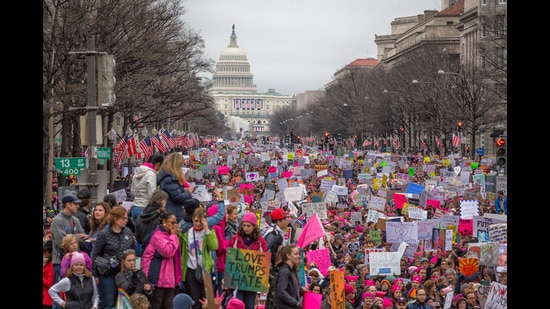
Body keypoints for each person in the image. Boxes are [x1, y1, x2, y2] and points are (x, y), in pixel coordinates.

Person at [92, 205, 136, 309]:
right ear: (115, 219)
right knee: (109, 302)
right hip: (108, 274)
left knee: (124, 302)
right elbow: (96, 254)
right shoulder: (103, 234)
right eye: (124, 218)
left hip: (124, 273)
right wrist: (96, 275)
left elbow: (133, 252)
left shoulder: (128, 232)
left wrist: (136, 269)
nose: (126, 220)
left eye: (126, 218)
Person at [50, 193, 90, 309]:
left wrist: (76, 238)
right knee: (59, 292)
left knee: (73, 293)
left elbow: (84, 238)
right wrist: (76, 238)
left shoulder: (75, 219)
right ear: (68, 205)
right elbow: (62, 242)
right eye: (75, 204)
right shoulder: (57, 220)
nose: (78, 206)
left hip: (76, 262)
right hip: (61, 261)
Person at [141, 208, 182, 309]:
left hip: (168, 279)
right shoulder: (157, 236)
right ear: (164, 222)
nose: (175, 225)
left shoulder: (169, 235)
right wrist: (173, 236)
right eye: (172, 223)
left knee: (168, 305)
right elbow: (167, 252)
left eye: (176, 223)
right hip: (156, 278)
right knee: (156, 305)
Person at [178, 208, 219, 309]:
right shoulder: (186, 233)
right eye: (196, 221)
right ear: (192, 220)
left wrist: (207, 229)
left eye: (201, 221)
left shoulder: (209, 232)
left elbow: (214, 246)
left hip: (205, 270)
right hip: (191, 269)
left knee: (207, 301)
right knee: (195, 301)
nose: (198, 224)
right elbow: (180, 248)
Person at [227, 212, 268, 309]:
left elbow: (264, 260)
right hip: (238, 279)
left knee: (250, 305)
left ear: (254, 226)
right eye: (244, 225)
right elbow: (230, 257)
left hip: (252, 280)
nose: (246, 228)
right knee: (237, 304)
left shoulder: (260, 241)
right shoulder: (236, 239)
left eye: (248, 226)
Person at [264, 207, 290, 309]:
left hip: (272, 267)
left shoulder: (276, 232)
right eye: (284, 219)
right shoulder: (273, 234)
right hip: (271, 268)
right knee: (273, 293)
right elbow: (266, 249)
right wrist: (275, 266)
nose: (287, 221)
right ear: (279, 221)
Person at [157, 152, 195, 222]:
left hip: (173, 210)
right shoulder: (169, 179)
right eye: (180, 166)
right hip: (173, 212)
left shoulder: (170, 178)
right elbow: (178, 197)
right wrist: (189, 192)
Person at [134, 190, 169, 256]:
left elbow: (137, 236)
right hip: (156, 252)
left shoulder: (141, 215)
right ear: (163, 202)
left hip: (141, 248)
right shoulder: (163, 216)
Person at [131, 153, 165, 222]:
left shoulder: (137, 173)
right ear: (158, 164)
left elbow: (132, 192)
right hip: (144, 208)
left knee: (137, 231)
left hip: (134, 207)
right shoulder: (151, 174)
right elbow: (152, 194)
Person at [208, 203, 229, 297]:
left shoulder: (215, 227)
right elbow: (220, 248)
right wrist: (228, 241)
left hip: (218, 263)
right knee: (219, 293)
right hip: (220, 264)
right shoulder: (217, 228)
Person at [273, 244, 302, 309]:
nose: (298, 256)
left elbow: (290, 288)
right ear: (288, 256)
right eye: (296, 254)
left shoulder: (290, 271)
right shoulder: (285, 272)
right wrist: (295, 303)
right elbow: (281, 292)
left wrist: (301, 289)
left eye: (298, 254)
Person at [43, 240, 54, 309]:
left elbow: (49, 283)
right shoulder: (49, 263)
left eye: (45, 250)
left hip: (48, 299)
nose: (44, 252)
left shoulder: (51, 265)